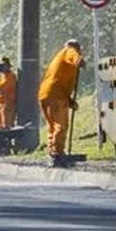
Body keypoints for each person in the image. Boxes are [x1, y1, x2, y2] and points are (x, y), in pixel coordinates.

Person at [38, 39, 84, 167]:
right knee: (60, 125)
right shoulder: (69, 51)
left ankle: (53, 153)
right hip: (55, 96)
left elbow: (60, 80)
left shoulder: (59, 58)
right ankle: (58, 155)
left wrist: (69, 101)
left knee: (52, 126)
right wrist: (79, 61)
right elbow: (73, 56)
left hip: (45, 94)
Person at [0, 57, 17, 129]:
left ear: (7, 66)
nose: (0, 68)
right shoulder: (2, 76)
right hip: (0, 105)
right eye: (0, 66)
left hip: (8, 106)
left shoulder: (11, 76)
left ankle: (6, 138)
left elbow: (2, 87)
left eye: (2, 66)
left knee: (6, 127)